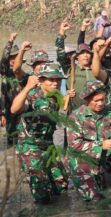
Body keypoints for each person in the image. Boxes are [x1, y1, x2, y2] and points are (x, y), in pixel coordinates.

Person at [10, 64, 70, 203]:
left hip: (48, 145)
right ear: (41, 80)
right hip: (30, 146)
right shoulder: (32, 95)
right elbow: (14, 109)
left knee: (61, 185)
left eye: (58, 80)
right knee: (42, 191)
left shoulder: (55, 96)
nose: (55, 83)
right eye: (51, 80)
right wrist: (27, 87)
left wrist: (67, 98)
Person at [67, 80, 111, 201]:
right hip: (82, 164)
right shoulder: (76, 116)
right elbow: (74, 144)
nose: (100, 103)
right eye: (96, 100)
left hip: (102, 163)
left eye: (103, 100)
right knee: (93, 199)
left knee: (104, 195)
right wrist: (101, 145)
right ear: (87, 100)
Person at [0, 32, 28, 145]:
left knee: (24, 138)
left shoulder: (24, 75)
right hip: (8, 111)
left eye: (16, 57)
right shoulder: (5, 73)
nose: (13, 60)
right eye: (11, 57)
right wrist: (10, 41)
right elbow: (3, 61)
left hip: (23, 111)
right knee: (11, 140)